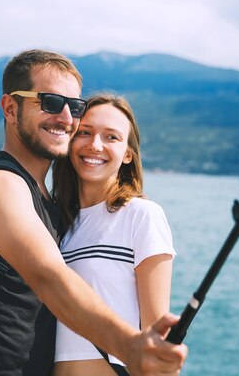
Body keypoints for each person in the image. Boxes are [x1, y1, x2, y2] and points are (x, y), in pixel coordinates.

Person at [0, 50, 187, 376]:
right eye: (50, 102)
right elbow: (49, 279)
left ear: (128, 154)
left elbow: (157, 336)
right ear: (10, 108)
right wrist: (129, 346)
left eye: (74, 107)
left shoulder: (56, 212)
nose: (67, 118)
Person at [51, 93, 175, 376]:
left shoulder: (141, 216)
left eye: (111, 137)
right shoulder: (55, 226)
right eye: (84, 132)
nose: (95, 145)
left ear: (128, 154)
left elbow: (157, 337)